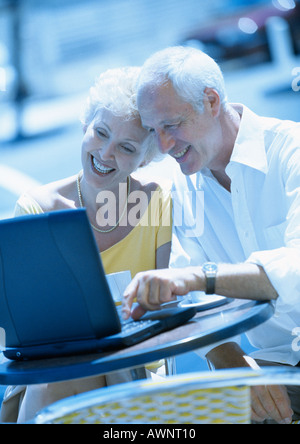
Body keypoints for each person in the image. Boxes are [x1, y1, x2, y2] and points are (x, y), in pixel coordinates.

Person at [122, 46, 300, 424]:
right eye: (154, 131)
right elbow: (191, 309)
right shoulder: (183, 187)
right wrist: (233, 365)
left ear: (212, 100)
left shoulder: (291, 151)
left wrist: (197, 278)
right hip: (278, 368)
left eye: (171, 125)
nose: (165, 146)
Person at [0, 66, 172, 423]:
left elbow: (169, 311)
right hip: (54, 366)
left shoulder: (158, 205)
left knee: (64, 388)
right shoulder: (36, 208)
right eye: (100, 133)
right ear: (84, 126)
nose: (106, 153)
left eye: (126, 147)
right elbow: (26, 324)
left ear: (147, 158)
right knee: (62, 379)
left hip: (135, 364)